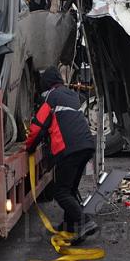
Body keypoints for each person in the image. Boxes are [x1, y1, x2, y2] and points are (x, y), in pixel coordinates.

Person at [25, 67, 98, 243]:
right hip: (86, 146)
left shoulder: (51, 97)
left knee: (61, 191)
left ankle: (85, 222)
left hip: (69, 148)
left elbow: (38, 127)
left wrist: (29, 147)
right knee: (70, 188)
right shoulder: (71, 95)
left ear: (46, 84)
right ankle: (69, 225)